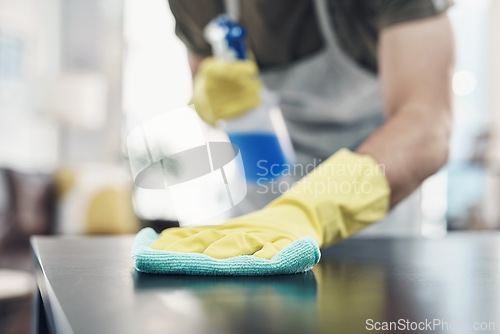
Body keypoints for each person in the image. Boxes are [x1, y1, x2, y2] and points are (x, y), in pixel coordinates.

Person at [149, 0, 455, 259]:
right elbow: (204, 77)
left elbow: (427, 120)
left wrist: (309, 210)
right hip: (260, 197)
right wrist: (211, 99)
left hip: (374, 193)